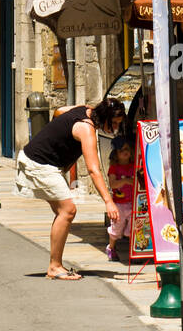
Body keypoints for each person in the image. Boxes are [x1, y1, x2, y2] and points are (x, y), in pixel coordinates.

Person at [15, 97, 125, 280]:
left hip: (41, 160)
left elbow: (59, 110)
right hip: (40, 164)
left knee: (63, 212)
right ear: (104, 117)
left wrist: (56, 134)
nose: (115, 128)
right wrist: (109, 201)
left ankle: (55, 264)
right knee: (67, 210)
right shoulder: (86, 129)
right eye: (113, 123)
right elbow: (93, 170)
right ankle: (55, 267)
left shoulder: (86, 109)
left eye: (118, 124)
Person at [106, 138, 135, 262]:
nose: (125, 152)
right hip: (119, 204)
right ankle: (111, 247)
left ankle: (134, 251)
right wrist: (125, 181)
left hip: (133, 202)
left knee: (133, 229)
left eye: (127, 149)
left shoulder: (134, 166)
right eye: (122, 150)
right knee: (117, 228)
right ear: (116, 154)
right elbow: (112, 184)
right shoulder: (114, 168)